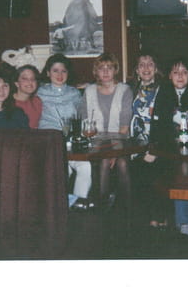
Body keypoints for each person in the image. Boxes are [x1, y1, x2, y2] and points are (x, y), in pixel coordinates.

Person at [146, 56, 188, 235]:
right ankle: (160, 216)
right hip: (169, 146)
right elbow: (157, 123)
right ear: (169, 76)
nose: (180, 76)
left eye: (184, 72)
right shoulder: (163, 90)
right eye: (175, 72)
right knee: (153, 166)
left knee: (183, 166)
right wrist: (153, 149)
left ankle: (184, 222)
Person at [37, 53, 92, 207]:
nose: (59, 75)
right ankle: (60, 207)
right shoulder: (39, 93)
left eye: (63, 71)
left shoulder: (74, 93)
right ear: (48, 73)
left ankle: (77, 203)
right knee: (62, 170)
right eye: (55, 70)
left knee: (85, 166)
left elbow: (83, 117)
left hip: (70, 143)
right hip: (49, 143)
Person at [80, 52, 133, 209]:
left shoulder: (125, 90)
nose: (105, 71)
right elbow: (85, 123)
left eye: (109, 67)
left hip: (121, 141)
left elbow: (124, 126)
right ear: (96, 72)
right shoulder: (89, 91)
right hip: (96, 142)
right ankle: (103, 206)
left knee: (122, 163)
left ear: (115, 70)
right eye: (101, 68)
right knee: (104, 161)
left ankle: (127, 209)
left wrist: (114, 152)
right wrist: (105, 150)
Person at [127, 54, 166, 228]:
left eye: (150, 64)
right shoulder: (129, 89)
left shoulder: (164, 89)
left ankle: (157, 216)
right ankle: (144, 218)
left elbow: (166, 123)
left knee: (151, 168)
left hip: (157, 143)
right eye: (141, 64)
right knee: (134, 168)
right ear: (136, 70)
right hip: (134, 145)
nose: (146, 68)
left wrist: (154, 149)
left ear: (156, 69)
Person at [12, 64, 43, 129]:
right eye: (25, 79)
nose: (30, 82)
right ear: (17, 83)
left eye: (33, 79)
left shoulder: (37, 102)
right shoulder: (8, 103)